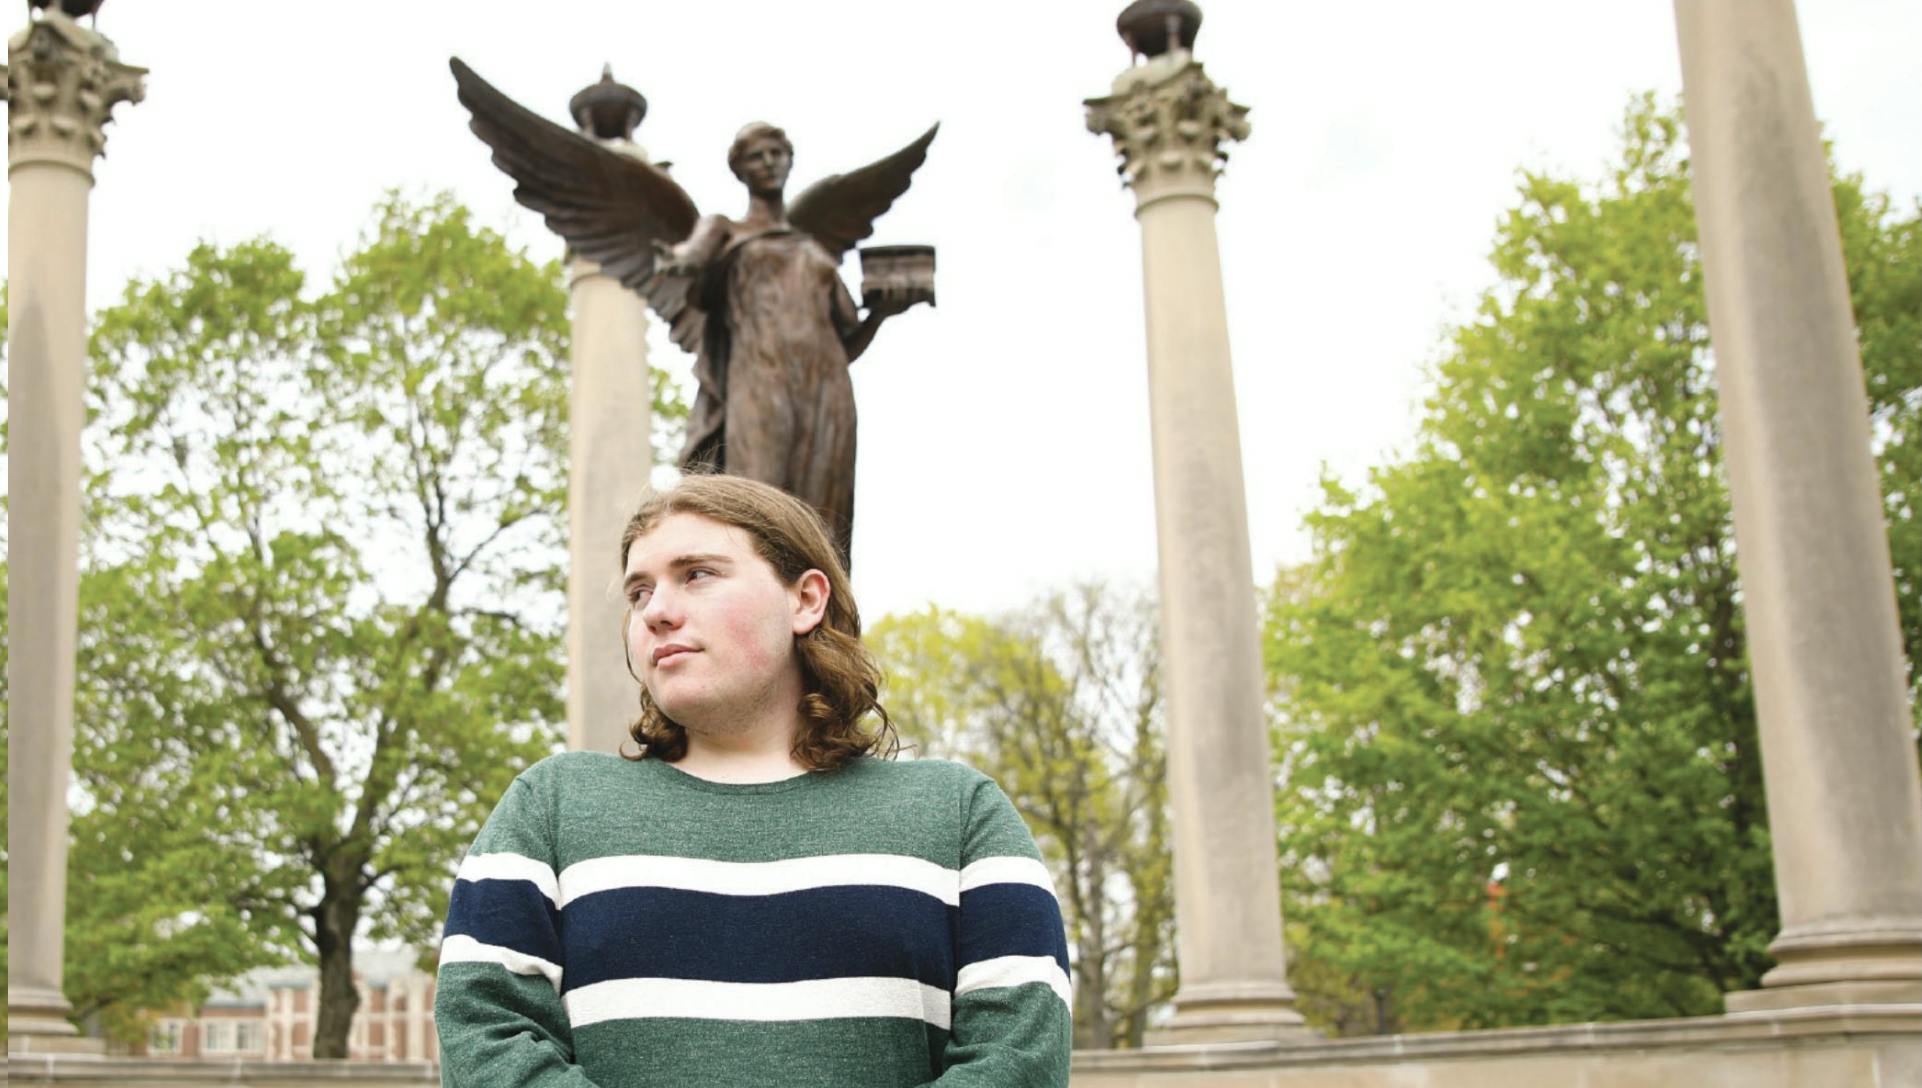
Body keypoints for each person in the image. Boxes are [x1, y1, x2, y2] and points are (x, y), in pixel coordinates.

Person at [434, 474, 1072, 1087]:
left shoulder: (959, 814)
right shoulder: (550, 807)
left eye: (697, 574)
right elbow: (485, 1035)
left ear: (806, 599)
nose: (656, 611)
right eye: (638, 592)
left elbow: (1020, 1057)